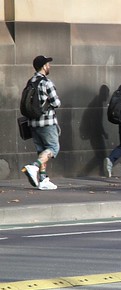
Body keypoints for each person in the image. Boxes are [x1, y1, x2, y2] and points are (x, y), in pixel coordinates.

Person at [22, 55, 61, 190]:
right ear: (44, 66)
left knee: (42, 150)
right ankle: (34, 166)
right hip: (47, 122)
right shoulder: (46, 82)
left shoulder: (30, 81)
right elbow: (56, 103)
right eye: (48, 64)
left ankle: (43, 180)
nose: (49, 66)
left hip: (32, 123)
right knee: (53, 148)